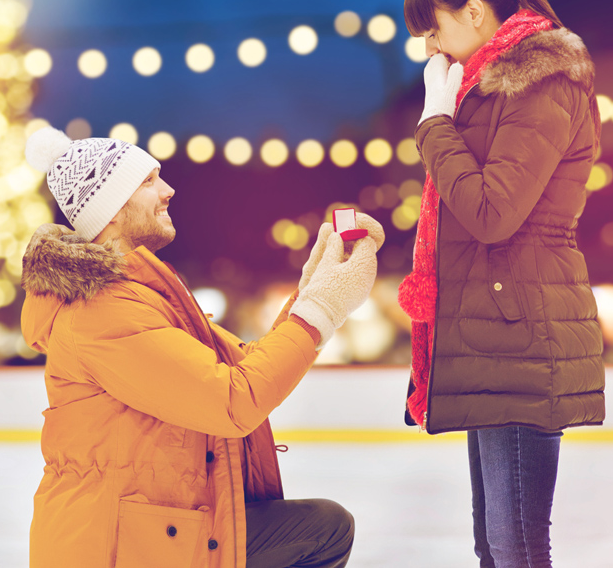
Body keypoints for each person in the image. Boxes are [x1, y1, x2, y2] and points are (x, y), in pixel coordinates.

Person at [19, 126, 384, 568]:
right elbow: (233, 400)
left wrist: (313, 290)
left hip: (154, 528)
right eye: (149, 181)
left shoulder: (138, 294)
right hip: (117, 549)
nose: (169, 190)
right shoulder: (102, 312)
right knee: (322, 530)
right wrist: (322, 307)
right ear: (110, 211)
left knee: (320, 526)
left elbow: (243, 365)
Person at [397, 0, 606, 567]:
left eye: (435, 28)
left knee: (515, 547)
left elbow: (491, 214)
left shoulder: (541, 81)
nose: (432, 47)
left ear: (477, 11)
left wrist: (436, 122)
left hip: (521, 331)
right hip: (492, 330)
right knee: (495, 546)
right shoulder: (488, 87)